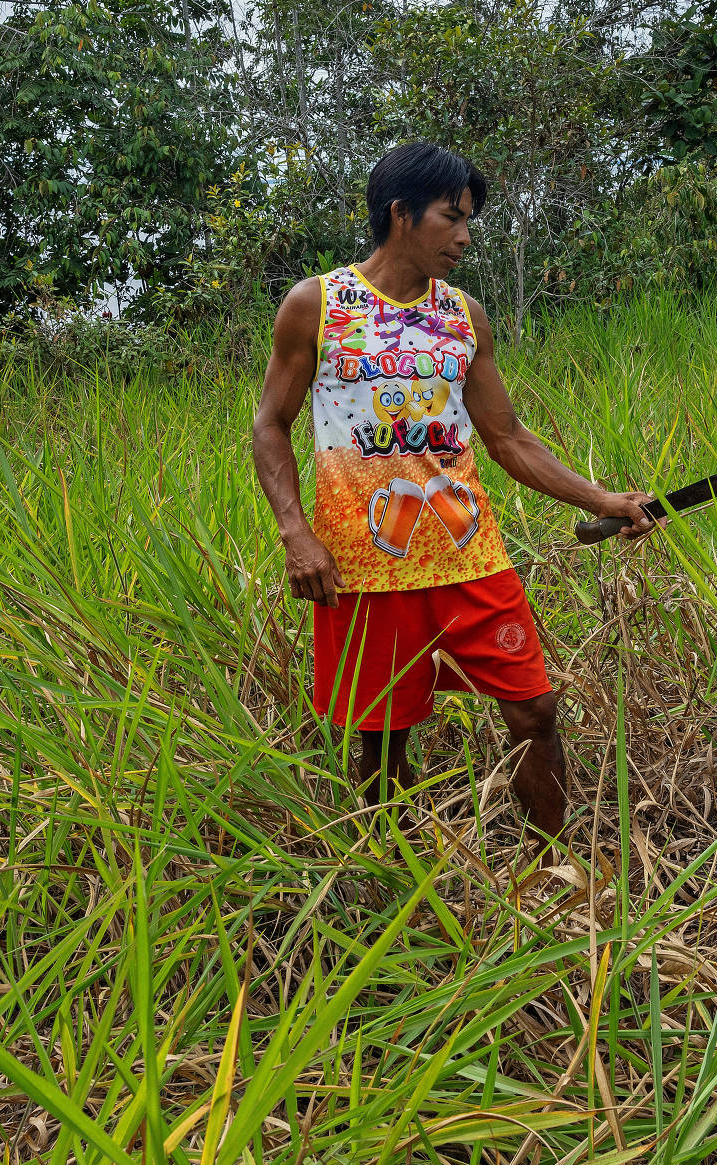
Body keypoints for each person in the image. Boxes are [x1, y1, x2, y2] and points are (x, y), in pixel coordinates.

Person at [250, 142, 656, 841]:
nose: (466, 236)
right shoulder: (317, 304)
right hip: (366, 569)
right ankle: (403, 881)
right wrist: (296, 533)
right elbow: (270, 426)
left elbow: (509, 439)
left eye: (469, 219)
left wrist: (604, 500)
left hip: (470, 557)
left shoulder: (464, 315)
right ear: (401, 214)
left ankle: (554, 875)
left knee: (535, 710)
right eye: (452, 217)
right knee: (384, 739)